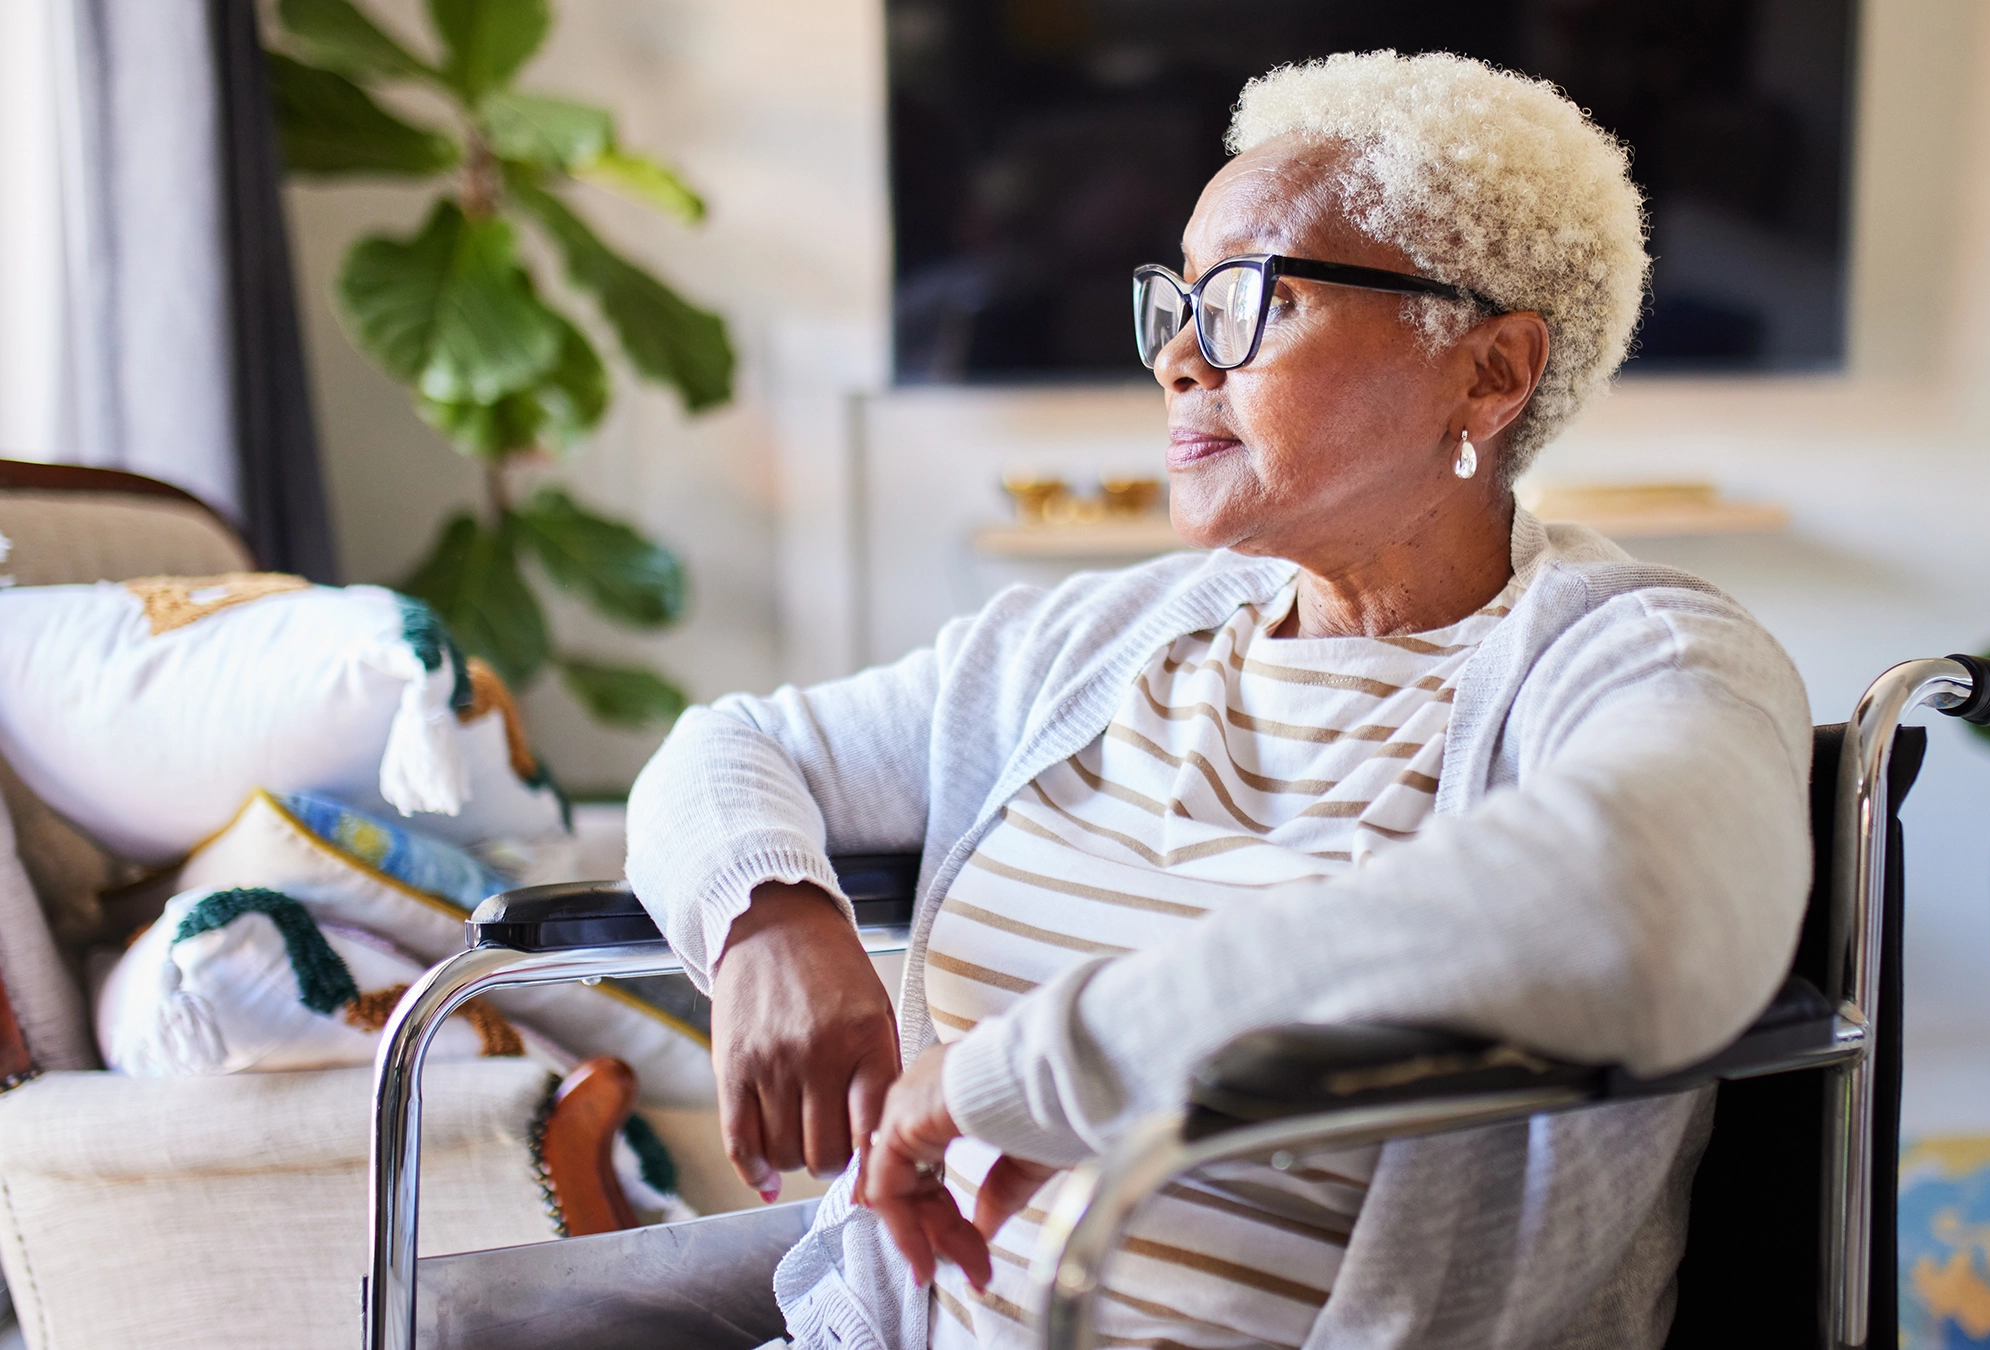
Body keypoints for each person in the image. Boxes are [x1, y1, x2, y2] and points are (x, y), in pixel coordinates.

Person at [629, 50, 1812, 1350]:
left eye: (1250, 297)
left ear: (1488, 371)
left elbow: (1632, 910)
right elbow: (728, 748)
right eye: (1178, 300)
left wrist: (1032, 1076)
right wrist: (772, 914)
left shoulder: (1639, 654)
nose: (1181, 357)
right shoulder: (1088, 642)